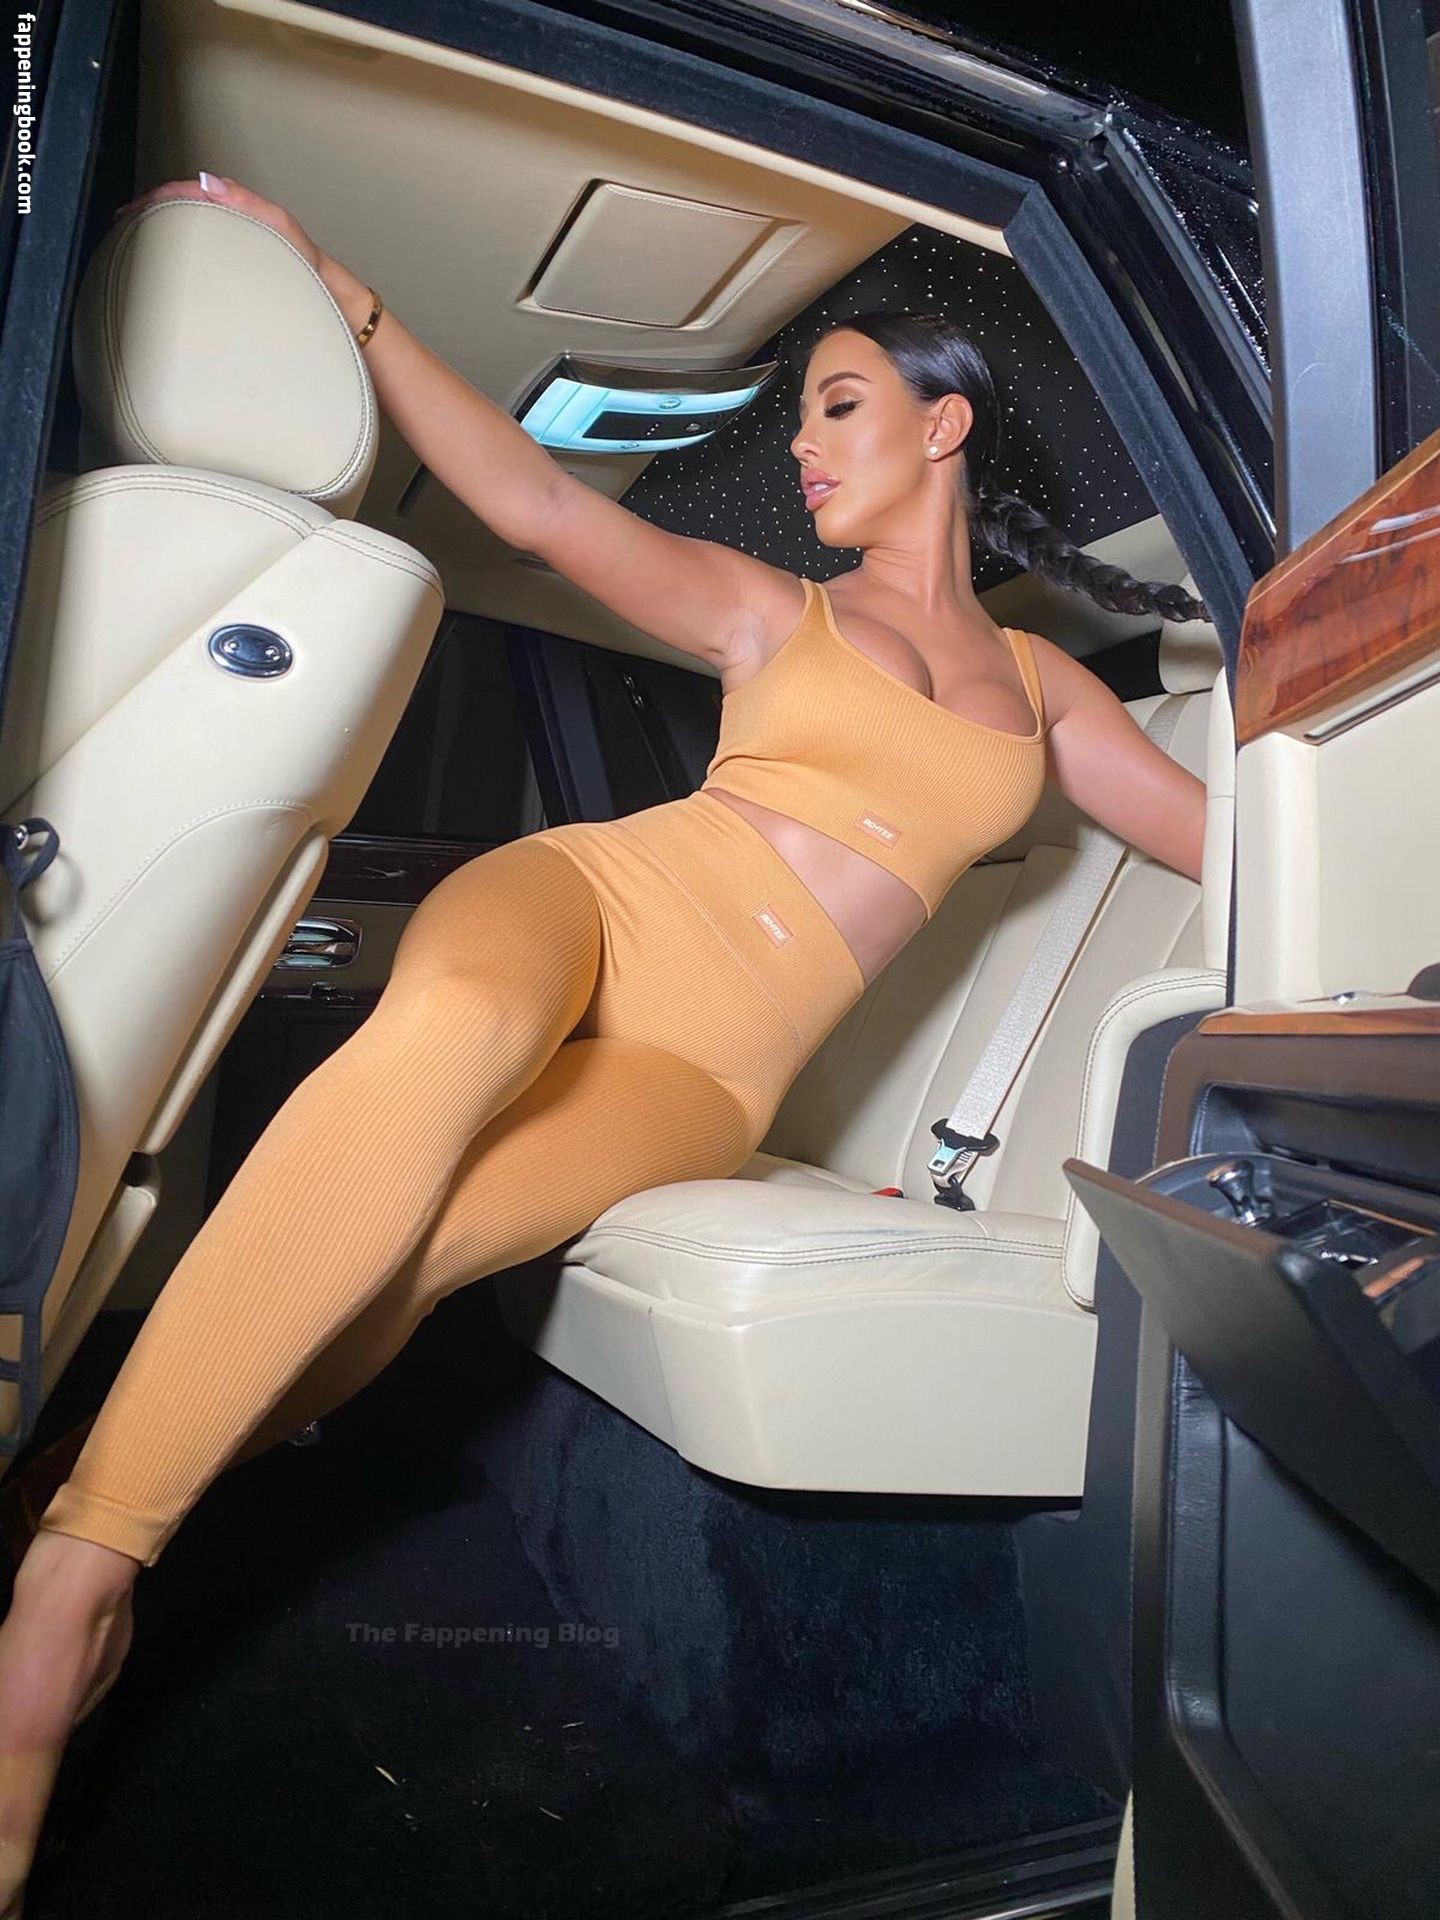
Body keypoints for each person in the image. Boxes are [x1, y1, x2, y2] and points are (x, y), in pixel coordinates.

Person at [0, 172, 1210, 1907]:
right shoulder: (775, 611)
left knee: (422, 1250)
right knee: (455, 1025)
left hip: (707, 1072)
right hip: (594, 900)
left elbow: (1236, 839)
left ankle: (69, 1483)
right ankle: (82, 1574)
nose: (804, 446)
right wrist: (344, 293)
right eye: (800, 419)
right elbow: (534, 504)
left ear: (945, 425)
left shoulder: (1049, 694)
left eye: (838, 405)